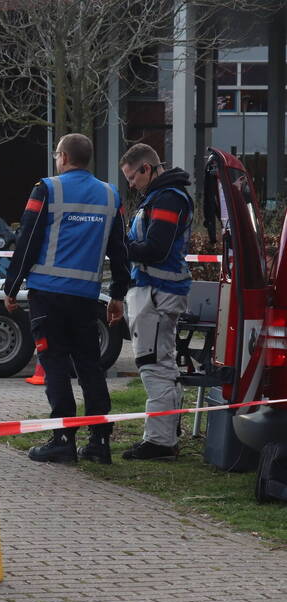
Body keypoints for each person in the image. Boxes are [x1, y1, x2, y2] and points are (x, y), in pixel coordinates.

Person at [3, 133, 131, 464]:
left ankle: (63, 439)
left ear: (62, 157)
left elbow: (27, 239)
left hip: (48, 295)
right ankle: (99, 442)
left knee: (54, 363)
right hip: (87, 297)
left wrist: (11, 286)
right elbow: (120, 250)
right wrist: (118, 294)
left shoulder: (47, 189)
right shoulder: (109, 194)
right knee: (90, 365)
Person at [118, 143, 194, 461]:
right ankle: (164, 436)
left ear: (146, 169)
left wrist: (120, 246)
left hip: (157, 292)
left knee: (154, 366)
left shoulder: (167, 198)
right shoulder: (163, 196)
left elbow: (155, 249)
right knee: (161, 364)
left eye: (132, 177)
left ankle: (160, 442)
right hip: (158, 290)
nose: (131, 184)